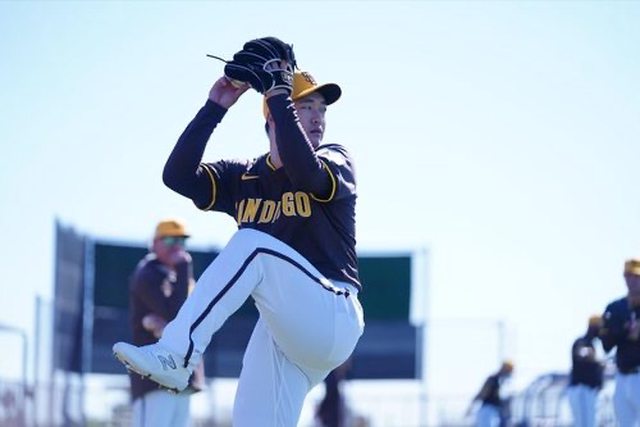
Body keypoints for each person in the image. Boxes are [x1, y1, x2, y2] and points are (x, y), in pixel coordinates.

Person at [113, 36, 364, 427]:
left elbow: (307, 174)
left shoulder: (335, 157)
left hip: (333, 311)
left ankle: (177, 353)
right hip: (285, 332)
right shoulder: (245, 175)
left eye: (321, 108)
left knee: (253, 246)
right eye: (305, 106)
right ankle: (179, 352)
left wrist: (278, 94)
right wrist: (215, 107)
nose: (318, 117)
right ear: (273, 117)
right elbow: (177, 176)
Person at [126, 218, 204, 427]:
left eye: (181, 241)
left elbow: (195, 322)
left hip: (182, 376)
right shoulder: (147, 273)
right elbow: (176, 316)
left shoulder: (180, 276)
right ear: (154, 243)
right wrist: (183, 267)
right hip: (154, 377)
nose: (176, 246)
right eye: (169, 240)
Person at [600, 258, 640, 427]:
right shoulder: (616, 307)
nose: (632, 281)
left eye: (636, 277)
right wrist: (624, 331)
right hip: (622, 375)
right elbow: (606, 345)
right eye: (629, 276)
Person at [567, 315, 604, 427]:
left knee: (590, 423)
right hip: (581, 390)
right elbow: (582, 352)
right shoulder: (582, 341)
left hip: (590, 391)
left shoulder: (593, 344)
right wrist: (592, 356)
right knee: (583, 424)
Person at [468, 360, 514, 427]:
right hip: (488, 411)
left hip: (495, 412)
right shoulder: (493, 380)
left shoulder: (505, 382)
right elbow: (482, 393)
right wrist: (471, 407)